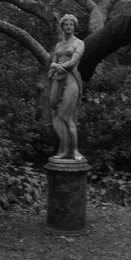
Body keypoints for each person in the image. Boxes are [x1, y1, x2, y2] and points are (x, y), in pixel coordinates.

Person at [48, 13, 85, 160]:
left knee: (67, 116)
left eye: (71, 24)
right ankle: (63, 148)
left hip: (71, 79)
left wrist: (58, 66)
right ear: (62, 26)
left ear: (74, 27)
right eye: (66, 24)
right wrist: (55, 66)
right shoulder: (58, 45)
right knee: (55, 111)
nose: (68, 27)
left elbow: (73, 62)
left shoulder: (79, 43)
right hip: (57, 78)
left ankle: (74, 150)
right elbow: (52, 62)